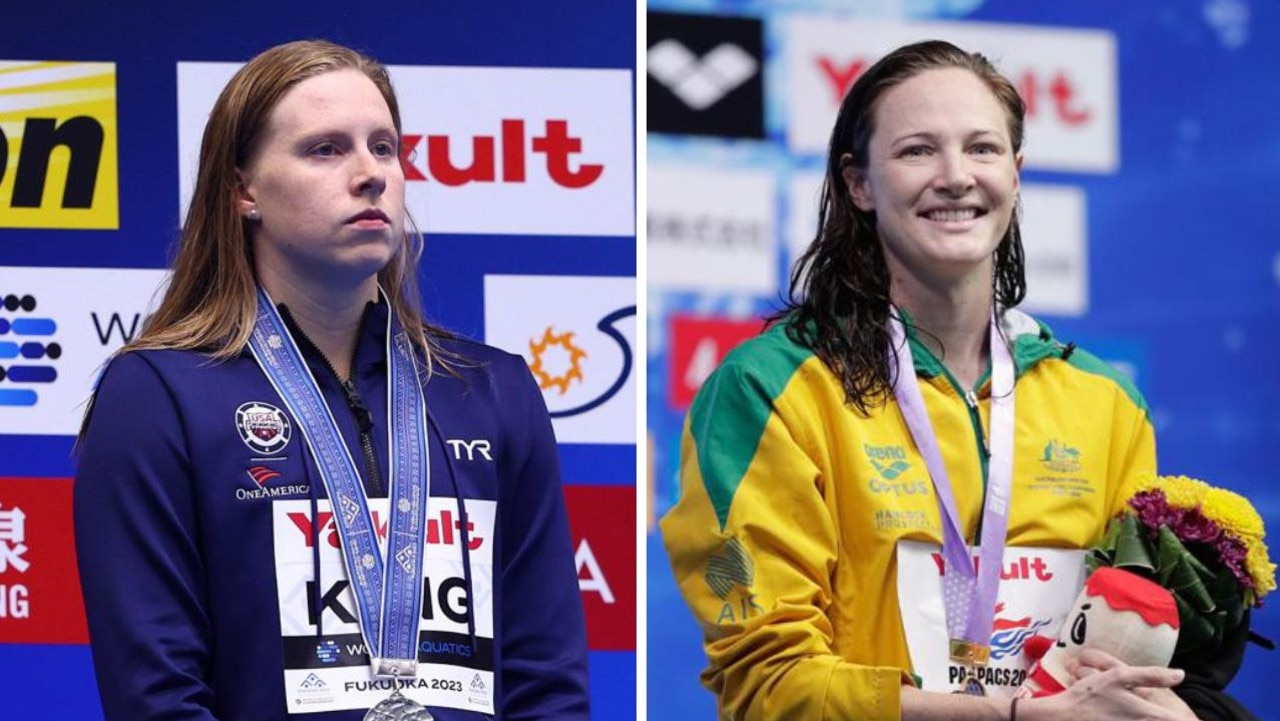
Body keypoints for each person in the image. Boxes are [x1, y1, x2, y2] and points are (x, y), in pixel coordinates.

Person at [660, 40, 1200, 721]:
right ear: (858, 184)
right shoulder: (768, 388)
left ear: (1017, 172)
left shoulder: (1105, 402)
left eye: (983, 148)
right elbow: (770, 686)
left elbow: (1121, 643)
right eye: (917, 150)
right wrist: (1001, 715)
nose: (956, 176)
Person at [74, 40, 588, 721]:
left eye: (384, 147)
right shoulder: (157, 396)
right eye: (325, 149)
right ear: (243, 191)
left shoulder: (493, 391)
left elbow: (545, 683)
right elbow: (158, 697)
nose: (371, 174)